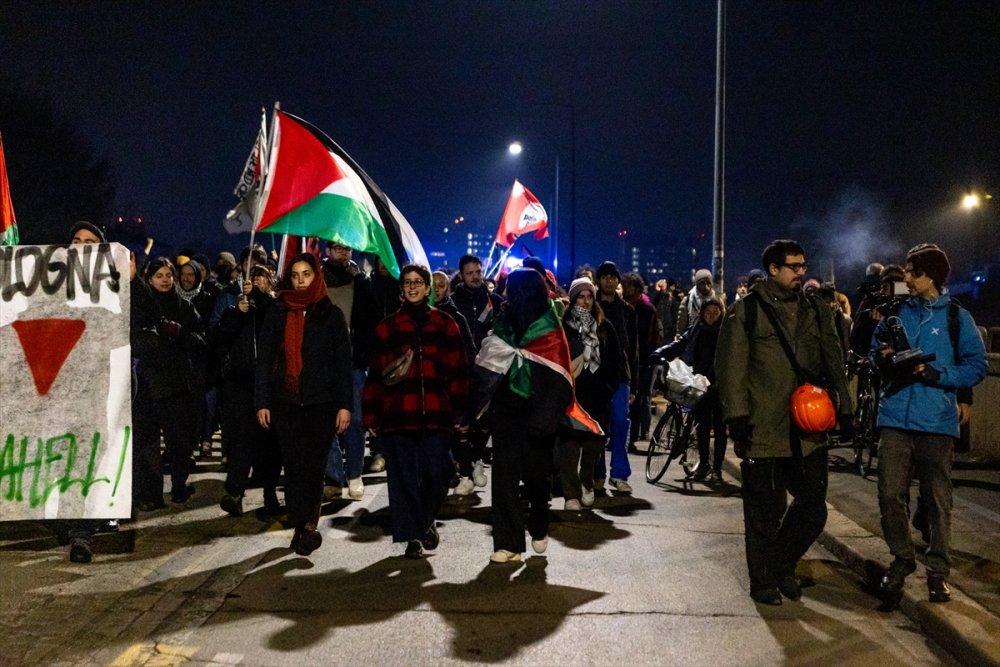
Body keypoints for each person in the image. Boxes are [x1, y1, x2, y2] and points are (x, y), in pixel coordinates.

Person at [716, 239, 853, 605]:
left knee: (812, 506)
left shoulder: (817, 310)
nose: (801, 272)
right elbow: (731, 366)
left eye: (803, 266)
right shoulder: (746, 312)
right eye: (793, 266)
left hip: (808, 426)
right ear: (774, 269)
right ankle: (763, 580)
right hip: (763, 423)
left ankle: (778, 564)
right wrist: (737, 417)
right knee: (762, 508)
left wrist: (847, 406)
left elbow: (833, 358)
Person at [872, 243, 987, 609]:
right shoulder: (896, 311)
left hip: (936, 421)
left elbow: (977, 365)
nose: (906, 278)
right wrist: (884, 357)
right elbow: (875, 350)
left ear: (931, 276)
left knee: (938, 501)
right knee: (890, 494)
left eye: (912, 272)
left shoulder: (957, 318)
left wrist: (939, 375)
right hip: (894, 415)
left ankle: (937, 572)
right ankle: (902, 559)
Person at [363, 264, 469, 558]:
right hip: (398, 415)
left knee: (439, 471)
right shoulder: (388, 327)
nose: (412, 287)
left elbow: (459, 370)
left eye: (417, 282)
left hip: (438, 414)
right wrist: (370, 413)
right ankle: (414, 537)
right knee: (404, 478)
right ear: (401, 289)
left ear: (427, 287)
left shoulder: (445, 324)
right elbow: (376, 373)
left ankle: (425, 519)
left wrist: (461, 411)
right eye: (407, 282)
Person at [473, 269, 573, 562]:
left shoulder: (550, 327)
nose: (503, 293)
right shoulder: (503, 322)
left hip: (538, 414)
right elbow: (488, 363)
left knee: (535, 478)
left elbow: (561, 377)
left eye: (509, 289)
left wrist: (546, 419)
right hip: (506, 411)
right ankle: (508, 544)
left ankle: (539, 527)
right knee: (504, 477)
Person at [255, 253, 352, 556]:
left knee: (314, 467)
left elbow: (341, 364)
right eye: (295, 275)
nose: (300, 281)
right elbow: (265, 360)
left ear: (316, 276)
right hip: (285, 402)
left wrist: (344, 405)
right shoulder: (278, 311)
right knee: (294, 467)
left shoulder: (331, 314)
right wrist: (262, 401)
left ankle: (307, 526)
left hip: (321, 404)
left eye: (306, 274)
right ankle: (300, 521)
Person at [131, 257, 207, 508]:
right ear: (149, 279)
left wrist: (180, 332)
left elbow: (201, 341)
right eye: (159, 276)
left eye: (168, 275)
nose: (165, 280)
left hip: (176, 384)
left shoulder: (184, 307)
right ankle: (150, 495)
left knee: (178, 442)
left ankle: (178, 487)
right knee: (147, 443)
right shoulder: (140, 307)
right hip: (147, 384)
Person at [215, 264, 282, 518]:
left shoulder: (274, 307)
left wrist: (257, 297)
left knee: (270, 445)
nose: (257, 281)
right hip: (241, 385)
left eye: (262, 278)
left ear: (270, 282)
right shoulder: (238, 307)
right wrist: (237, 313)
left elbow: (273, 317)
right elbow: (221, 338)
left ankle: (269, 494)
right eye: (252, 278)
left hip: (269, 384)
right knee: (242, 441)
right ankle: (235, 493)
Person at [320, 242, 378, 501]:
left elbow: (371, 323)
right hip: (323, 362)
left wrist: (365, 354)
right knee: (324, 421)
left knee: (356, 421)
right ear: (327, 251)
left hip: (354, 362)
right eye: (337, 248)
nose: (343, 253)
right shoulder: (317, 282)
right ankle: (333, 476)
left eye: (347, 249)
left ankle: (354, 474)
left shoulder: (361, 282)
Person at [560, 278, 621, 509]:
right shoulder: (565, 325)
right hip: (572, 393)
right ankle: (570, 495)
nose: (584, 301)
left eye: (588, 296)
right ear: (573, 298)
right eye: (580, 296)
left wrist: (609, 388)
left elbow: (615, 360)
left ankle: (586, 481)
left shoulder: (605, 327)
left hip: (597, 394)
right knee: (569, 445)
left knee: (594, 444)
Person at [652, 298, 726, 481]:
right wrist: (660, 353)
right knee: (702, 426)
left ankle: (717, 469)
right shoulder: (696, 329)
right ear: (702, 313)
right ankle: (704, 465)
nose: (711, 316)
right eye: (708, 312)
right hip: (698, 384)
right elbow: (680, 344)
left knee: (719, 427)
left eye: (715, 312)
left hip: (720, 385)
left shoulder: (726, 332)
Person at [451, 254, 503, 487]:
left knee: (485, 418)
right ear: (461, 276)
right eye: (470, 273)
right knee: (462, 418)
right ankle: (464, 466)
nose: (475, 277)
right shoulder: (453, 301)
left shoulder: (495, 301)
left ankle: (477, 457)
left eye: (478, 272)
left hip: (488, 368)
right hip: (460, 367)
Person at [594, 260, 637, 494]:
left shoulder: (627, 311)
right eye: (605, 276)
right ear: (598, 281)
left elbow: (634, 350)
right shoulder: (592, 307)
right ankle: (597, 474)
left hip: (621, 376)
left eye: (613, 276)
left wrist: (635, 384)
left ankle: (619, 474)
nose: (609, 280)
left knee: (620, 423)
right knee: (598, 427)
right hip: (597, 376)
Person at [621, 272, 662, 445]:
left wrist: (648, 358)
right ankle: (626, 434)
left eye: (629, 285)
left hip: (644, 360)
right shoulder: (621, 306)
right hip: (626, 359)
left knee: (640, 398)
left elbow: (653, 337)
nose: (625, 289)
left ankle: (637, 433)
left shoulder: (647, 308)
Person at [676, 268, 725, 335]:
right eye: (702, 283)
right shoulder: (688, 300)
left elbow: (723, 321)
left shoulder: (717, 300)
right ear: (697, 284)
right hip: (693, 339)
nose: (705, 286)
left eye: (708, 283)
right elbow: (681, 324)